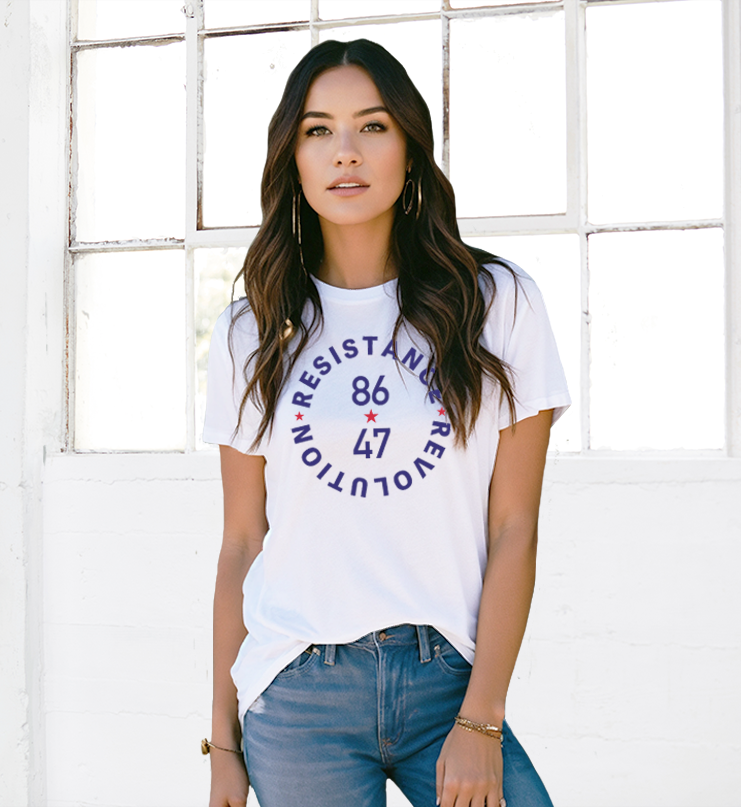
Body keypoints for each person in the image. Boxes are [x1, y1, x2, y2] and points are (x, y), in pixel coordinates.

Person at [202, 38, 571, 807]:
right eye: (317, 130)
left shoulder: (495, 302)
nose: (345, 152)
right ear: (293, 162)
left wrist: (482, 718)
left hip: (447, 677)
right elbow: (242, 541)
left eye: (371, 127)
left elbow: (514, 526)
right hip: (295, 691)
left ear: (408, 147)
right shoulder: (254, 330)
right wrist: (222, 742)